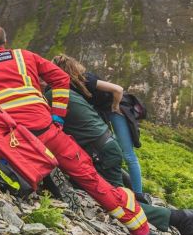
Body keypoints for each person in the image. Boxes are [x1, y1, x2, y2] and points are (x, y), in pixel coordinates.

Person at [0, 25, 159, 235]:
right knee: (89, 176)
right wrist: (58, 117)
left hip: (18, 141)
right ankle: (144, 233)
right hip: (48, 131)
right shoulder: (24, 56)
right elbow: (61, 78)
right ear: (5, 43)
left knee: (29, 171)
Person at [49, 85, 193, 235]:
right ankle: (142, 198)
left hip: (99, 153)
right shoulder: (70, 92)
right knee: (115, 187)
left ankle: (180, 218)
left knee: (115, 200)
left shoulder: (51, 96)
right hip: (106, 146)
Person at [53, 54, 144, 199]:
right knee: (111, 147)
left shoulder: (86, 79)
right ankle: (127, 186)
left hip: (116, 110)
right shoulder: (72, 84)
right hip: (102, 111)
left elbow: (118, 89)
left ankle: (140, 195)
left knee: (128, 154)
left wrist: (115, 106)